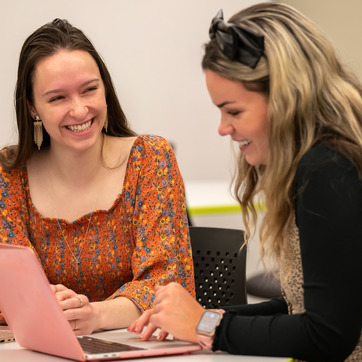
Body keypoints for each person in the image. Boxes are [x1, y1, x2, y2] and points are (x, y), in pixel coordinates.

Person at [128, 3, 362, 361]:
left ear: (287, 97)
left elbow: (327, 334)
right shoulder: (325, 160)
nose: (223, 128)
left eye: (233, 111)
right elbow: (306, 304)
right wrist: (202, 319)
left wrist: (207, 326)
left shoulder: (325, 168)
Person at [0, 18, 195, 336]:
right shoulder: (10, 174)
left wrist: (94, 314)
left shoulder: (149, 159)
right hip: (42, 347)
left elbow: (169, 284)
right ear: (33, 108)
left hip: (139, 348)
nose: (79, 110)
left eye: (89, 90)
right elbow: (5, 285)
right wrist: (44, 303)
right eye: (57, 98)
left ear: (106, 89)